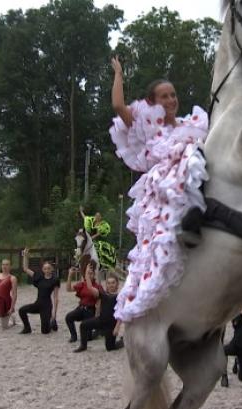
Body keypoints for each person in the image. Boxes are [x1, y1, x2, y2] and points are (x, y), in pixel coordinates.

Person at [108, 56, 209, 323]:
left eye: (173, 95)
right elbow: (118, 105)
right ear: (152, 103)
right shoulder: (147, 125)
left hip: (193, 174)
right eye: (164, 97)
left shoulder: (192, 124)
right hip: (165, 184)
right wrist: (119, 73)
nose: (171, 100)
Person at [73, 272, 123, 353]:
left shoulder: (120, 296)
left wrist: (117, 327)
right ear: (106, 284)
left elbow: (121, 313)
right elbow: (90, 287)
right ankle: (83, 346)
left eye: (113, 283)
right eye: (109, 283)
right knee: (83, 325)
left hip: (111, 325)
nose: (111, 285)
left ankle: (122, 342)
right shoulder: (103, 294)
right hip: (101, 320)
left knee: (110, 348)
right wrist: (87, 274)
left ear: (117, 284)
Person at [18, 248, 60, 334]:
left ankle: (52, 323)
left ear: (52, 269)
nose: (47, 270)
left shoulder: (55, 280)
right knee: (22, 310)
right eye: (45, 269)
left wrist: (54, 314)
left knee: (45, 331)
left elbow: (56, 297)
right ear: (43, 269)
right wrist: (25, 256)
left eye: (49, 268)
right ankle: (27, 328)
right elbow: (25, 269)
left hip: (47, 306)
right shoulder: (39, 276)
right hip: (38, 304)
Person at [64, 260, 101, 343]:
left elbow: (99, 302)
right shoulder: (82, 284)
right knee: (68, 317)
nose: (89, 275)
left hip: (90, 310)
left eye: (91, 273)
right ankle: (73, 336)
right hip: (81, 308)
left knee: (88, 338)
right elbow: (68, 289)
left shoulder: (97, 286)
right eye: (88, 273)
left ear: (94, 275)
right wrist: (70, 275)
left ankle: (96, 331)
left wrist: (97, 316)